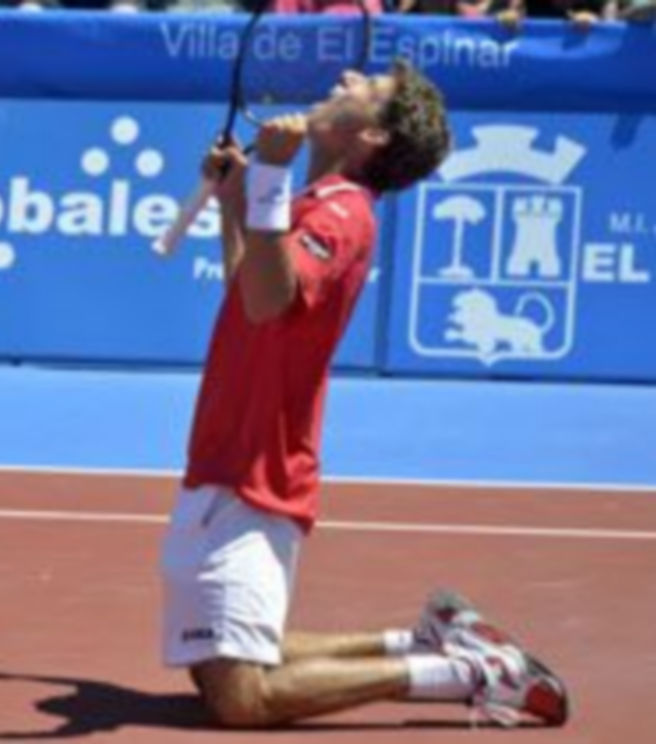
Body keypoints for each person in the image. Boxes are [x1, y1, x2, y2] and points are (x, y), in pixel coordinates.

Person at [160, 59, 569, 729]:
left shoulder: (344, 216)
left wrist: (265, 178)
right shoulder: (313, 204)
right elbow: (248, 295)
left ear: (372, 137)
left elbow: (266, 302)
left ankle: (468, 673)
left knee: (241, 698)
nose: (348, 74)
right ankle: (418, 641)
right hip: (226, 452)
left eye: (368, 85)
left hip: (254, 469)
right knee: (223, 665)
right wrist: (239, 203)